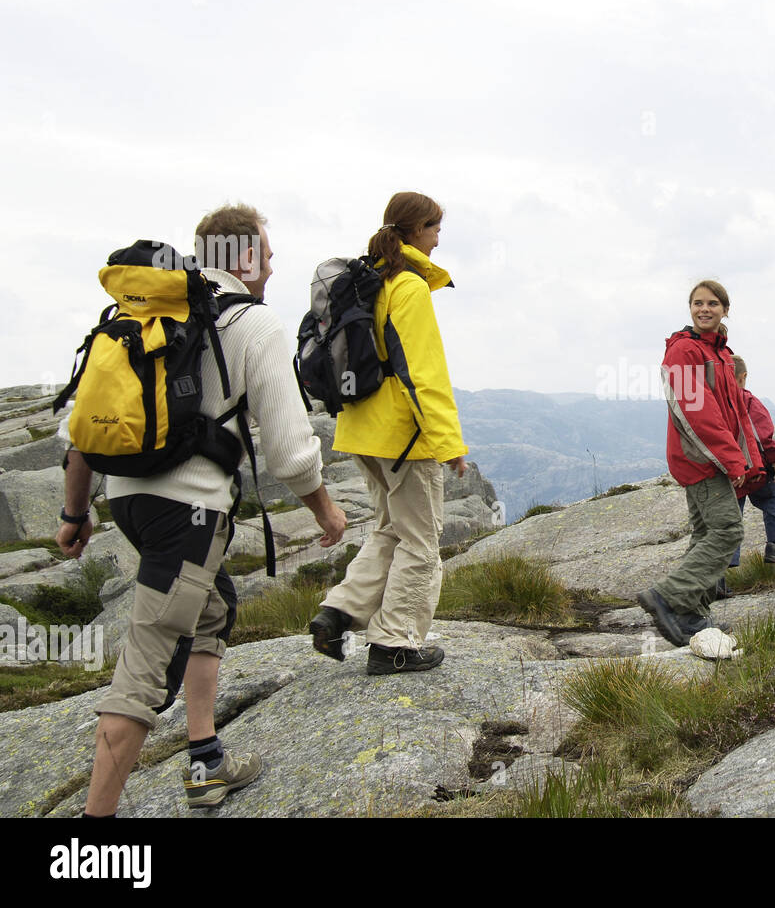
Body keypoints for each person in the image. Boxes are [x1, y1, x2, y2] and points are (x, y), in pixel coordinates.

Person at [57, 203, 348, 816]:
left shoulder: (141, 316)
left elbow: (80, 431)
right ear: (244, 258)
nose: (271, 265)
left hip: (129, 501)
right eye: (266, 254)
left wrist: (76, 515)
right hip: (188, 513)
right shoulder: (253, 322)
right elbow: (294, 454)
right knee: (145, 672)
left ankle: (206, 762)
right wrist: (325, 511)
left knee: (212, 608)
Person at [309, 192, 468, 675]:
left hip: (361, 431)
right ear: (417, 229)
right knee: (421, 541)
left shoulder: (369, 279)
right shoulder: (408, 286)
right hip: (402, 439)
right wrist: (449, 444)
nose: (439, 238)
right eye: (436, 228)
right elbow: (422, 372)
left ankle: (337, 612)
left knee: (388, 530)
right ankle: (395, 643)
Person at [637, 280, 766, 646]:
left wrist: (750, 461)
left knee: (708, 533)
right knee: (727, 531)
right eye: (697, 303)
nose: (704, 309)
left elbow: (736, 414)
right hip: (699, 458)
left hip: (713, 458)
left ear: (725, 310)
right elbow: (699, 415)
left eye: (712, 303)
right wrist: (730, 461)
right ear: (689, 308)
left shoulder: (722, 355)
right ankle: (669, 596)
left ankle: (690, 612)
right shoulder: (684, 351)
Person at [727, 355, 775, 567]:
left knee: (732, 517)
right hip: (755, 469)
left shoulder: (717, 404)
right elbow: (762, 436)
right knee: (772, 500)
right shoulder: (747, 401)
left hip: (730, 471)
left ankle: (725, 565)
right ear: (743, 377)